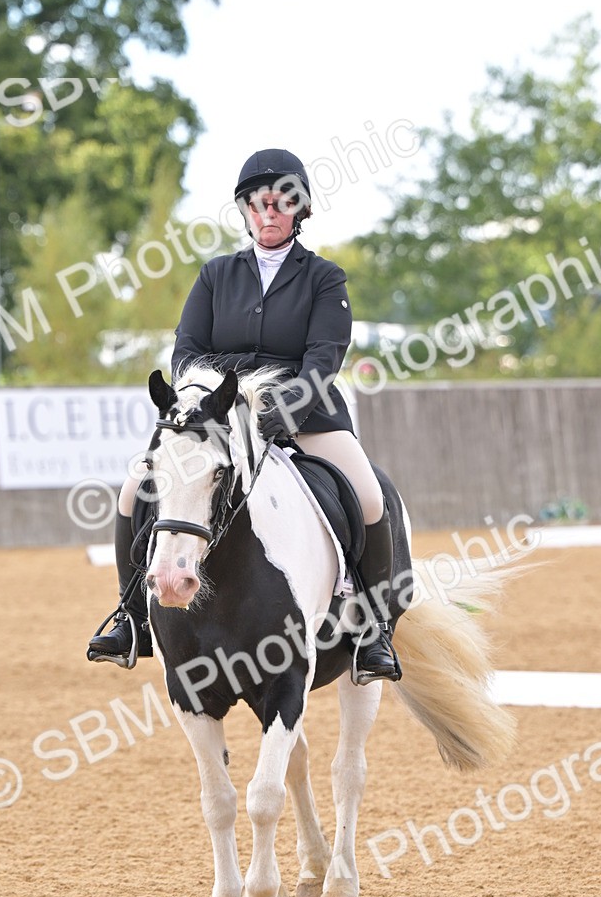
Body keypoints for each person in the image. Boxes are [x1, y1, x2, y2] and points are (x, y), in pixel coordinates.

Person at [88, 147, 400, 682]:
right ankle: (131, 616)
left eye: (281, 204)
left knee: (369, 498)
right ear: (245, 211)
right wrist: (206, 401)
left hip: (305, 416)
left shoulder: (325, 278)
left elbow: (324, 360)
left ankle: (374, 631)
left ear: (299, 211)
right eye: (257, 204)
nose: (268, 213)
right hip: (219, 416)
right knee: (133, 489)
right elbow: (186, 351)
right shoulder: (216, 276)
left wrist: (278, 411)